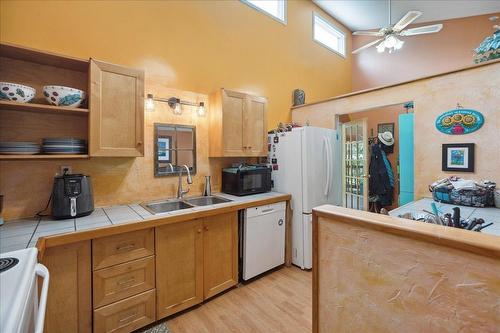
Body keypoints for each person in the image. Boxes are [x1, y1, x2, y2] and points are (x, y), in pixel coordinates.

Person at [369, 131, 395, 210]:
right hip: (384, 186)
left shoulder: (378, 153)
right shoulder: (380, 154)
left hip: (382, 186)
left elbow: (375, 172)